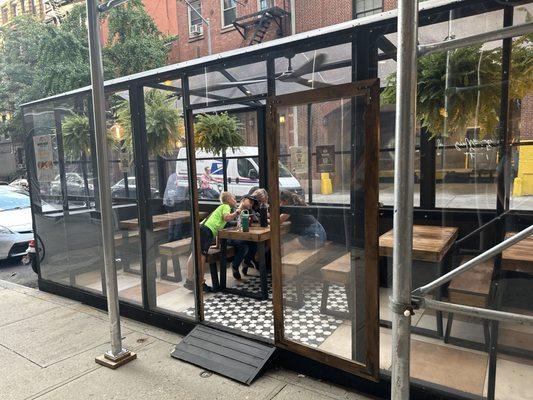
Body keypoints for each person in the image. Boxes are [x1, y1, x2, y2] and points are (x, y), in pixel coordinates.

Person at [184, 191, 245, 292]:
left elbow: (218, 230)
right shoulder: (226, 206)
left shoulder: (220, 208)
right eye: (234, 198)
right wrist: (238, 211)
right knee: (201, 255)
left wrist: (216, 246)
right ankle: (201, 283)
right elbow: (227, 218)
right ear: (228, 199)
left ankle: (189, 280)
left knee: (194, 253)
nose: (235, 201)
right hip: (206, 230)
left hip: (200, 227)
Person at [229, 188, 271, 279]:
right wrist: (247, 205)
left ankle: (246, 263)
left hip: (246, 234)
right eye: (259, 202)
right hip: (233, 234)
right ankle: (235, 266)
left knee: (254, 245)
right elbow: (245, 204)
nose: (259, 204)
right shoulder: (243, 204)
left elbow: (258, 219)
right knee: (243, 246)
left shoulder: (254, 209)